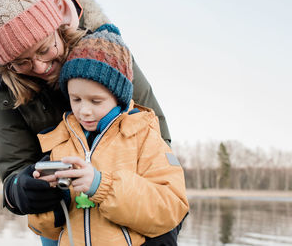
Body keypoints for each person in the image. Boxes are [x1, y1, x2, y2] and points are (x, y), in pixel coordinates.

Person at [0, 0, 184, 245]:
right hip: (66, 220)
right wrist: (20, 191)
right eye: (21, 62)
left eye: (44, 49)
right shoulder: (3, 91)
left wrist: (163, 228)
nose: (39, 66)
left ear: (58, 26)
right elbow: (14, 167)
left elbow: (157, 141)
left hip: (133, 214)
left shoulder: (108, 57)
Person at [27, 24, 189, 246]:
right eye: (76, 99)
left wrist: (101, 186)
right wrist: (48, 201)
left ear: (118, 98)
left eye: (96, 101)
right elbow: (44, 230)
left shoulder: (143, 135)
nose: (84, 110)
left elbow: (172, 207)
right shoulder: (59, 140)